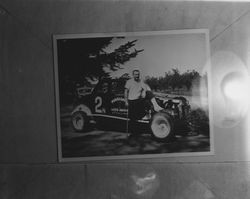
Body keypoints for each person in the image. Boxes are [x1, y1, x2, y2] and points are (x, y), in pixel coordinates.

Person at [124, 68, 162, 137]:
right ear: (133, 75)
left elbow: (147, 88)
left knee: (149, 93)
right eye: (135, 74)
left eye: (138, 74)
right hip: (131, 101)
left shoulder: (141, 82)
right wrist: (126, 101)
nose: (137, 76)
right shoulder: (129, 82)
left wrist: (144, 91)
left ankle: (156, 106)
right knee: (132, 119)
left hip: (138, 100)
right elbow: (126, 92)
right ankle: (132, 133)